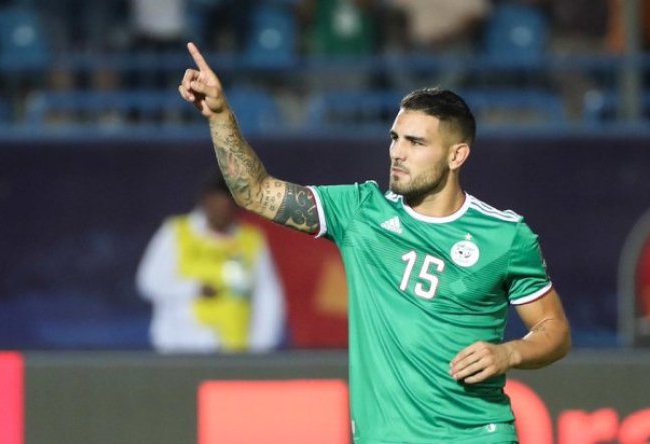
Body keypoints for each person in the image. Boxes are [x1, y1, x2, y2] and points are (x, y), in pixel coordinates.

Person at [178, 42, 571, 442]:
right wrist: (220, 116)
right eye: (395, 138)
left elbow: (554, 329)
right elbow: (256, 193)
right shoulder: (361, 213)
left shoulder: (505, 236)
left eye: (416, 142)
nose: (398, 152)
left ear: (457, 156)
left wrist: (509, 352)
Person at [136, 171, 286, 353]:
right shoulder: (176, 232)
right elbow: (149, 282)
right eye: (217, 202)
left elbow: (268, 296)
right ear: (206, 200)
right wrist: (195, 289)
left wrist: (260, 347)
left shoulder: (250, 240)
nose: (222, 211)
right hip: (181, 347)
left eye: (229, 205)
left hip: (235, 351)